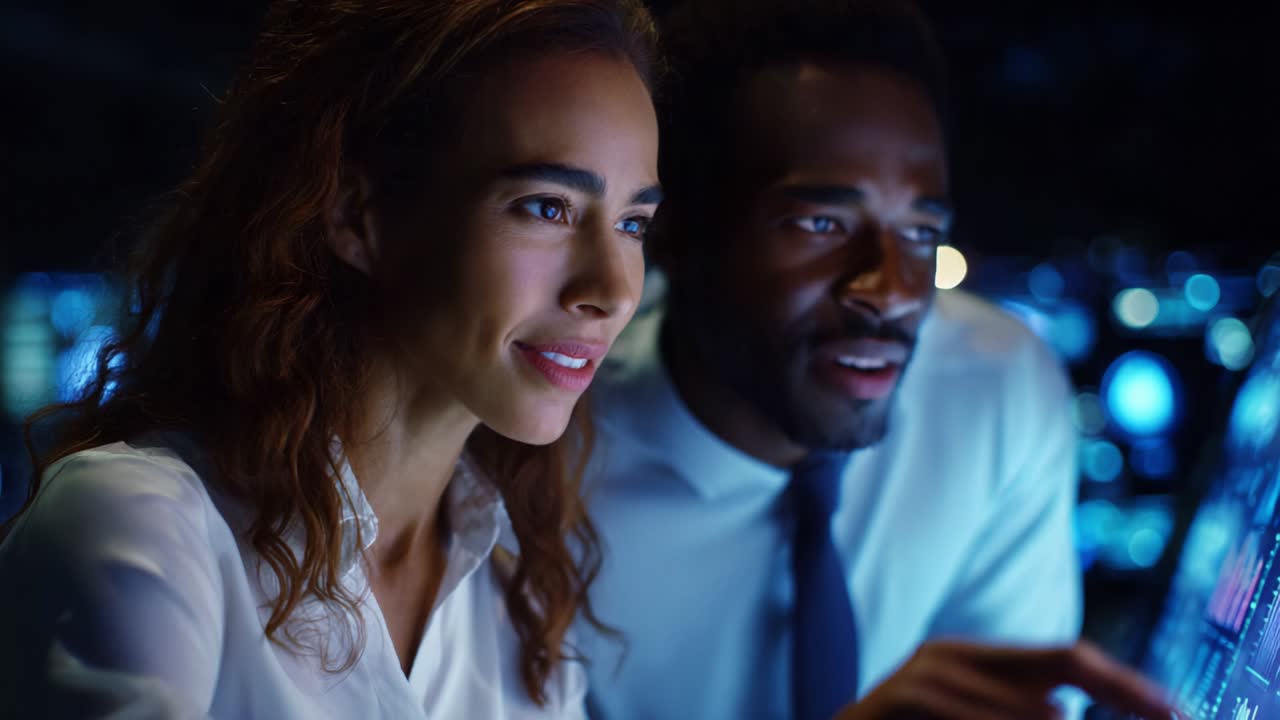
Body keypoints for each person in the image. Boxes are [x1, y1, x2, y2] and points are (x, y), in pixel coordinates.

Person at [0, 1, 661, 717]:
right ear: (356, 216)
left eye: (633, 223)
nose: (614, 290)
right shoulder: (141, 532)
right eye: (546, 207)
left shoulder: (522, 608)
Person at [577, 1, 1180, 719]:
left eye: (921, 233)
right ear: (673, 235)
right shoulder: (546, 472)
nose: (891, 290)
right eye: (820, 223)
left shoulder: (997, 388)